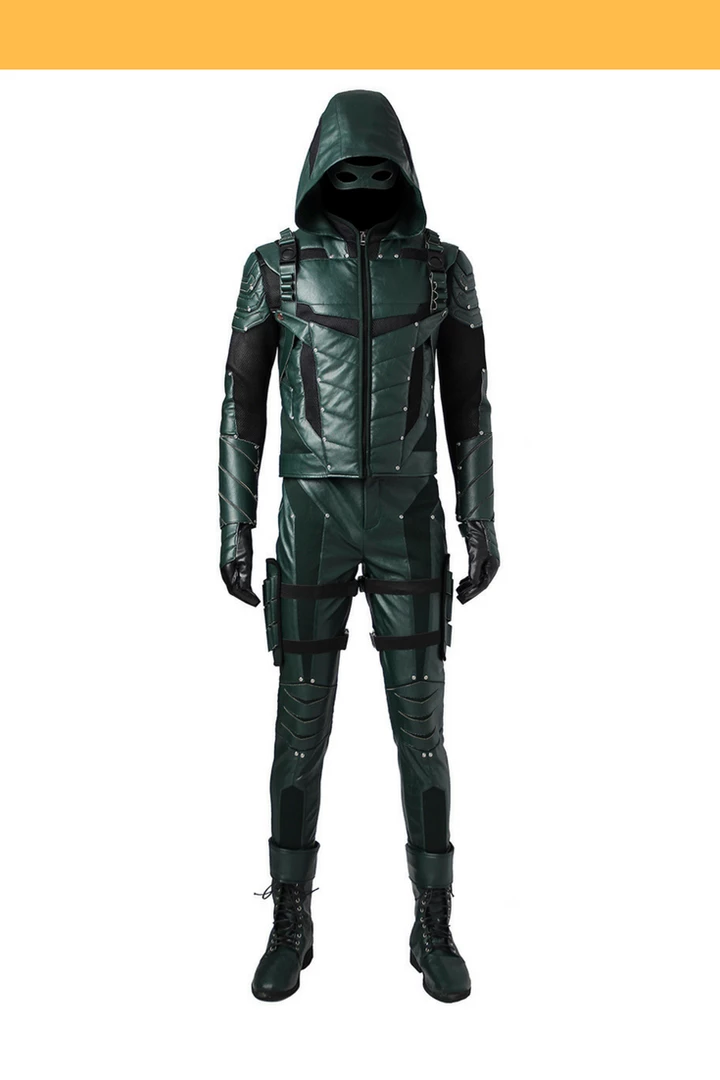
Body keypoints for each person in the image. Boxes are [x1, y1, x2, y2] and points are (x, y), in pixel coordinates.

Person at [218, 89, 499, 1002]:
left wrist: (481, 519)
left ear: (404, 169)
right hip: (311, 515)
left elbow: (469, 404)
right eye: (349, 167)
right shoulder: (275, 269)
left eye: (380, 167)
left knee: (423, 731)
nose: (366, 180)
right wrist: (234, 522)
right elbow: (240, 403)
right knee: (299, 728)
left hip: (410, 515)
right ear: (318, 170)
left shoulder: (443, 269)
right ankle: (289, 920)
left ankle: (433, 921)